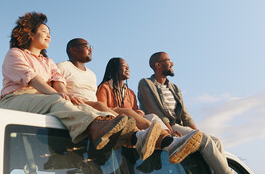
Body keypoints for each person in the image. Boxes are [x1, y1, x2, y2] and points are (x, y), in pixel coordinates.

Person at [0, 12, 160, 160]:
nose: (49, 36)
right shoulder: (15, 53)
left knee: (76, 104)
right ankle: (98, 129)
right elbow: (33, 79)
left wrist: (65, 95)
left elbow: (59, 82)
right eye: (44, 32)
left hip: (42, 99)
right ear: (30, 34)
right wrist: (58, 95)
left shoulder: (48, 62)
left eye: (50, 33)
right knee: (58, 102)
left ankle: (138, 136)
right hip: (16, 98)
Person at [57, 38, 202, 164]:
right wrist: (66, 96)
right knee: (124, 112)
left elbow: (131, 107)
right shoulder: (64, 67)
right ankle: (165, 140)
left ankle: (166, 140)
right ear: (73, 49)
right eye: (87, 46)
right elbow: (60, 89)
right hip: (85, 106)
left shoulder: (91, 74)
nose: (90, 49)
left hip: (97, 108)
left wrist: (138, 111)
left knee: (147, 116)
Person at [138, 51, 243, 174]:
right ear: (158, 65)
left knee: (215, 141)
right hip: (164, 126)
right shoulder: (146, 83)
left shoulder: (174, 88)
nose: (172, 63)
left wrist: (196, 133)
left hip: (177, 124)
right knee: (204, 139)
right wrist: (171, 134)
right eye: (168, 60)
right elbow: (153, 109)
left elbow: (185, 115)